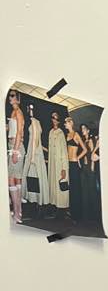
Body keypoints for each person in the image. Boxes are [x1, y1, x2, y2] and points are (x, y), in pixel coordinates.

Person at [21, 101, 49, 209]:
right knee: (36, 176)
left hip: (34, 153)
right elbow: (37, 141)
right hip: (36, 152)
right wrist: (45, 150)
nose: (29, 110)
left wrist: (32, 157)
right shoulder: (37, 122)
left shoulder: (34, 122)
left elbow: (35, 140)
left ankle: (37, 202)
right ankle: (36, 201)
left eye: (30, 108)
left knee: (34, 176)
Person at [7, 87, 25, 222]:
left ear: (18, 99)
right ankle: (18, 212)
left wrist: (15, 151)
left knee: (11, 179)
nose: (10, 97)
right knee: (16, 179)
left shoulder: (18, 112)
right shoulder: (13, 112)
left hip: (16, 147)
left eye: (13, 95)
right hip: (12, 146)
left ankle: (17, 213)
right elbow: (11, 129)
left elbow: (19, 132)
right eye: (10, 95)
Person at [47, 107, 70, 211]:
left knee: (61, 186)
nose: (54, 120)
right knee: (53, 185)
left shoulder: (61, 133)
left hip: (60, 164)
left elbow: (64, 152)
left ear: (59, 120)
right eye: (53, 118)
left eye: (56, 118)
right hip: (52, 164)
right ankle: (54, 205)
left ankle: (63, 208)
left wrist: (64, 168)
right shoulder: (51, 132)